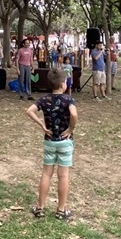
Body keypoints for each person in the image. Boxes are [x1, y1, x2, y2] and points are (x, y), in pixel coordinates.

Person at [26, 68, 78, 220]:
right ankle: (61, 210)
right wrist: (71, 128)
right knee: (63, 175)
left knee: (46, 174)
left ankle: (40, 208)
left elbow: (29, 111)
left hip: (49, 141)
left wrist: (42, 125)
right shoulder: (68, 100)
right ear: (63, 84)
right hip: (65, 142)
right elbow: (74, 114)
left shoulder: (44, 99)